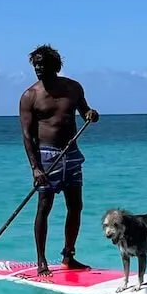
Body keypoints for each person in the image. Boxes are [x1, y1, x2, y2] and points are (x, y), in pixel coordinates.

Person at [19, 44, 99, 276]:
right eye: (36, 65)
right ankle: (41, 260)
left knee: (75, 206)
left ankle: (68, 257)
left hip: (72, 155)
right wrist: (35, 168)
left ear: (56, 66)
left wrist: (91, 115)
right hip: (46, 156)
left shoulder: (73, 88)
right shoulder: (30, 96)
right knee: (44, 207)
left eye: (43, 65)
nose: (39, 69)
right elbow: (27, 135)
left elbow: (86, 112)